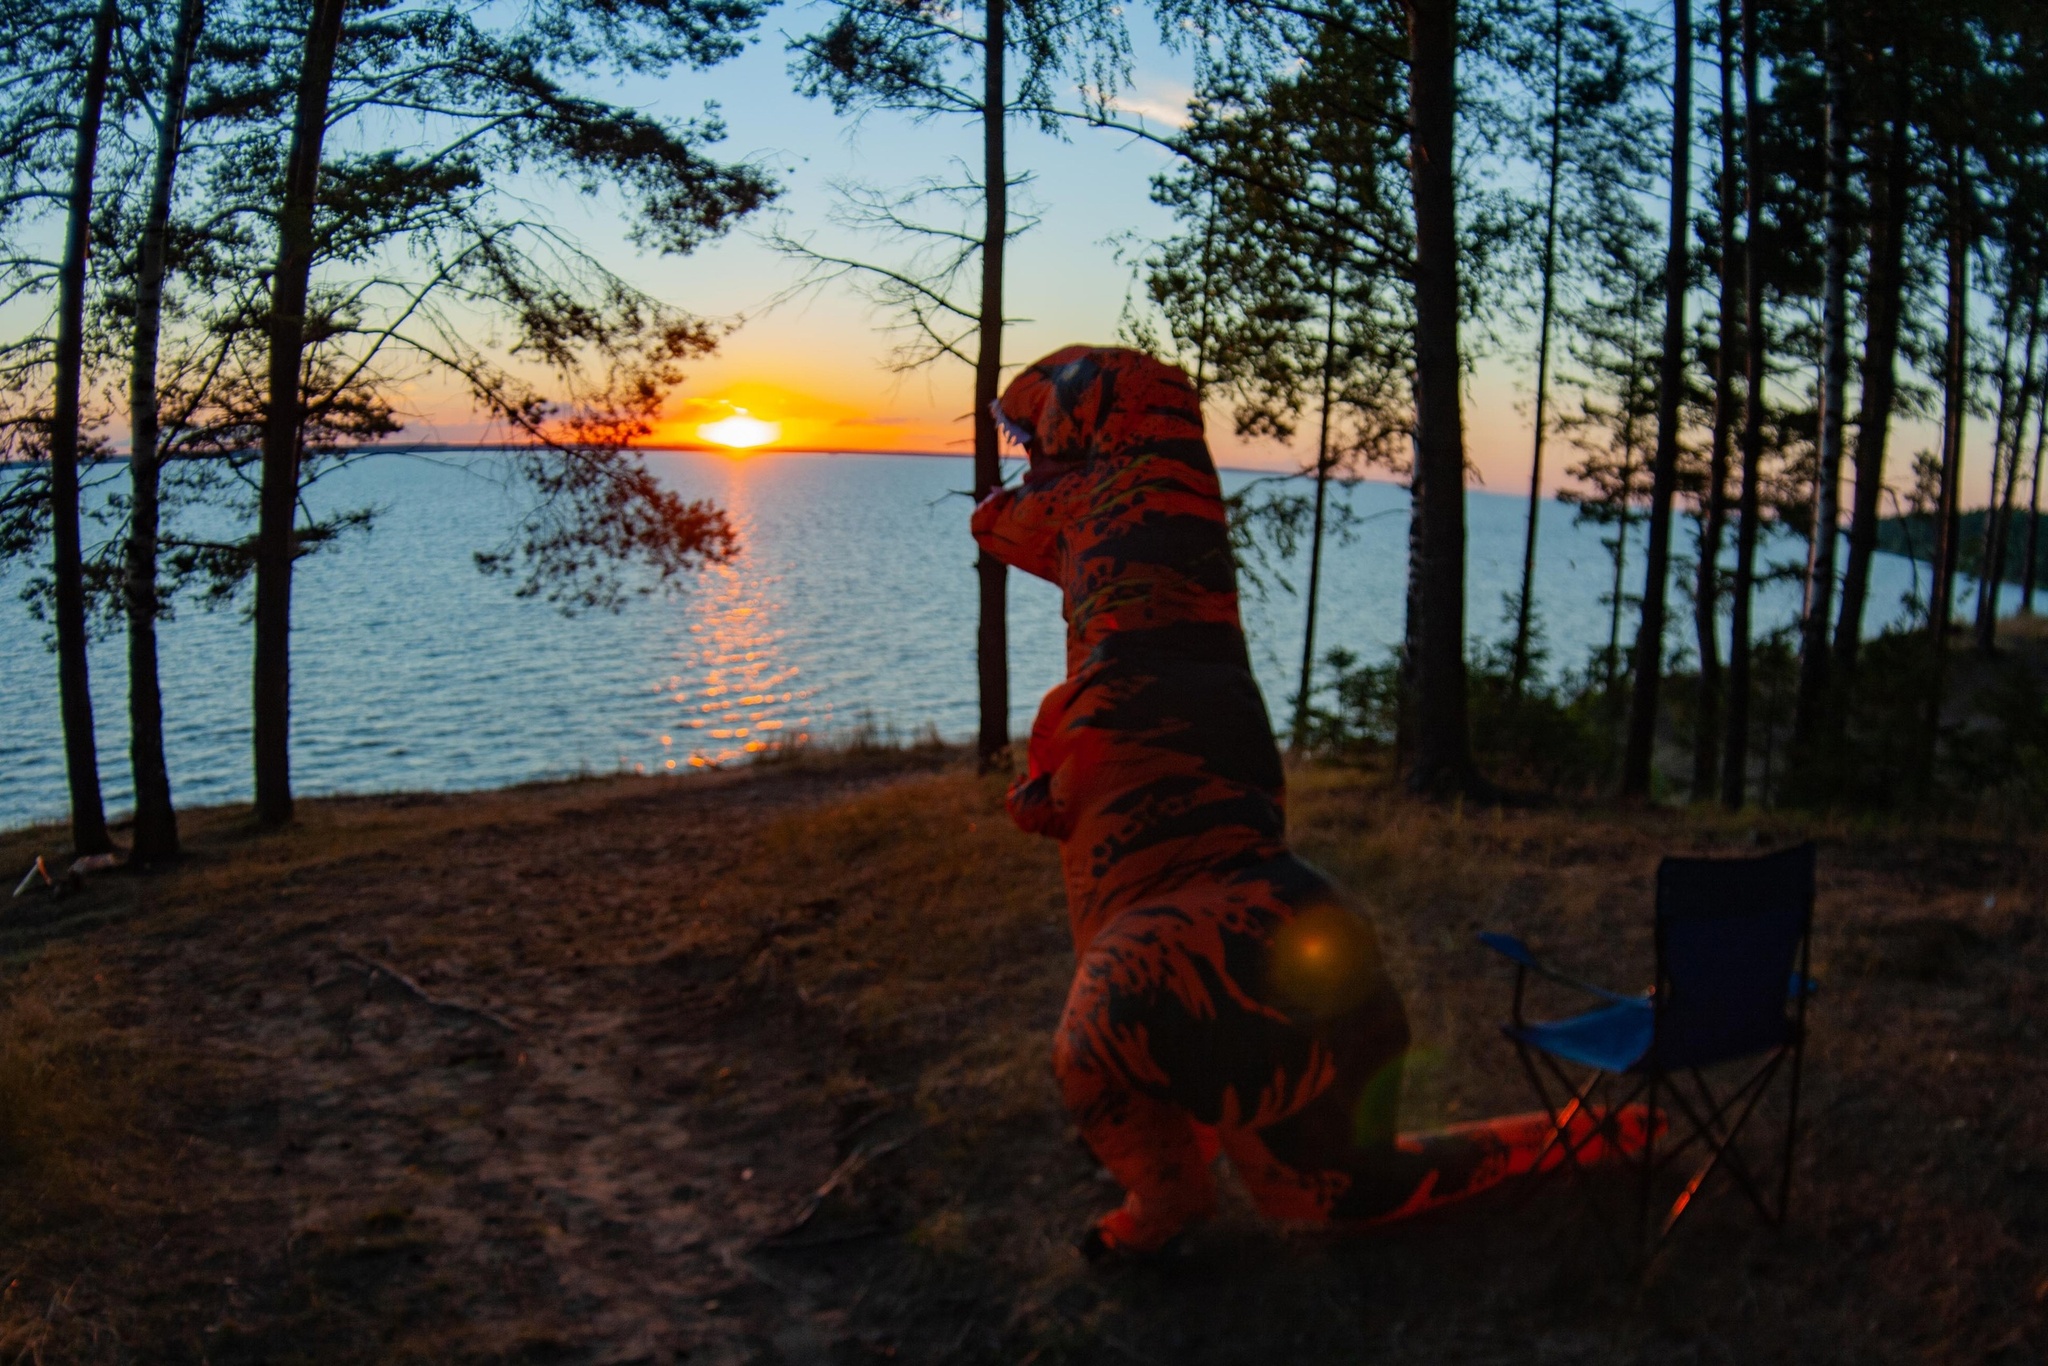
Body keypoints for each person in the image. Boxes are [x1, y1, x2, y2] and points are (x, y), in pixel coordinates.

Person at [972, 345, 1652, 1258]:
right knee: (1310, 1182)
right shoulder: (1203, 670)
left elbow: (1055, 791)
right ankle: (1578, 1135)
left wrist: (1042, 788)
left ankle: (1165, 1208)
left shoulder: (1120, 671)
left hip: (1230, 949)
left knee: (1096, 1041)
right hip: (1304, 928)